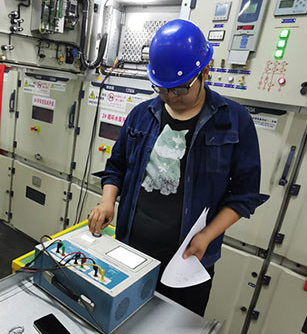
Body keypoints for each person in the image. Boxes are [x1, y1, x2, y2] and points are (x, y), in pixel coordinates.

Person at [88, 19, 269, 317]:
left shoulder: (233, 122)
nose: (171, 97)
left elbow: (245, 194)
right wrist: (107, 201)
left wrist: (207, 236)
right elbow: (117, 166)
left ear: (205, 72)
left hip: (188, 259)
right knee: (121, 321)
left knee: (173, 332)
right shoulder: (141, 115)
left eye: (181, 89)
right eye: (163, 89)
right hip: (132, 248)